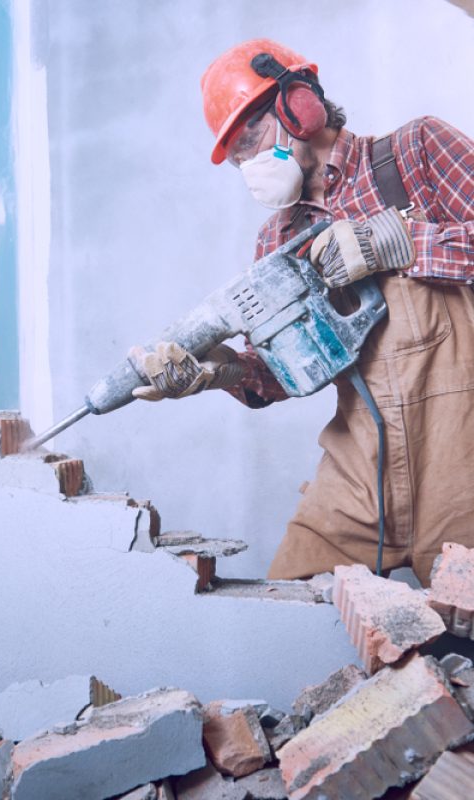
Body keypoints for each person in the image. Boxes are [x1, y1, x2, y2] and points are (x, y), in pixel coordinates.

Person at [129, 39, 474, 586]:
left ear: (299, 104)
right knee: (285, 611)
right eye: (235, 155)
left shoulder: (415, 154)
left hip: (463, 464)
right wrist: (223, 372)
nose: (247, 163)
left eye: (251, 137)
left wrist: (401, 241)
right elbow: (291, 373)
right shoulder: (277, 242)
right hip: (360, 476)